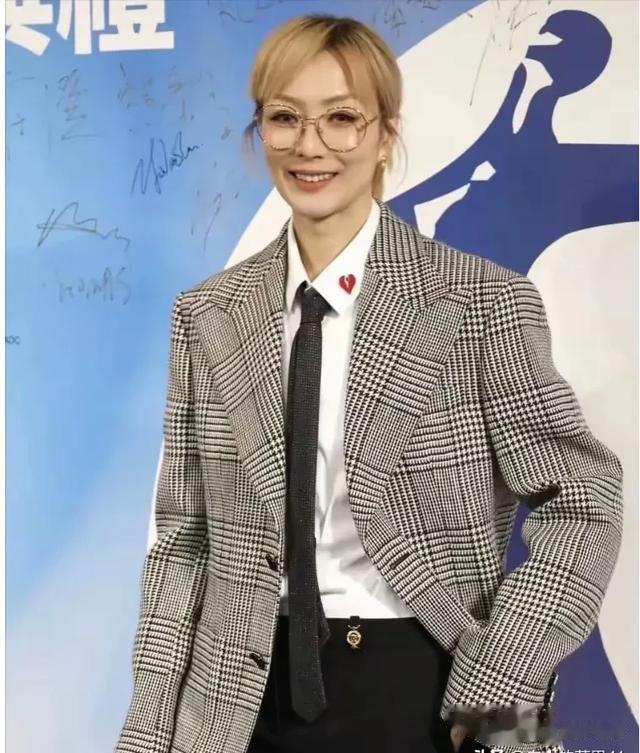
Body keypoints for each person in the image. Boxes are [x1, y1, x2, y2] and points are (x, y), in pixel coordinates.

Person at [114, 14, 623, 753]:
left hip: (442, 686)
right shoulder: (208, 313)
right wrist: (147, 734)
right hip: (233, 706)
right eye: (285, 117)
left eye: (341, 118)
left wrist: (498, 685)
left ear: (385, 135)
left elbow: (583, 501)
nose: (309, 144)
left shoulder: (481, 300)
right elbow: (183, 544)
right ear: (260, 133)